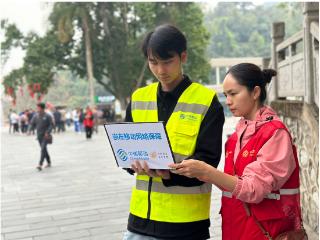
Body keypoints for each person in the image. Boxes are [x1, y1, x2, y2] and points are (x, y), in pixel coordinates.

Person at [170, 63, 304, 239]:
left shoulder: (275, 134)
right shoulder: (235, 137)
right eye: (226, 95)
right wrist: (198, 172)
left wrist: (207, 171)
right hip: (236, 228)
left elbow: (253, 189)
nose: (228, 101)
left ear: (255, 92)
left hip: (266, 232)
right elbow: (233, 183)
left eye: (233, 93)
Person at [123, 24, 225, 240]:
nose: (161, 70)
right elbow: (125, 151)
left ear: (183, 57)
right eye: (153, 62)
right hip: (140, 221)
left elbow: (208, 161)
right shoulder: (139, 98)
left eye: (168, 62)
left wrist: (169, 173)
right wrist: (131, 164)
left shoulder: (206, 101)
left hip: (185, 226)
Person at [28, 102, 54, 171]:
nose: (37, 109)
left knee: (42, 149)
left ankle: (40, 164)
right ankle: (49, 162)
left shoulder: (48, 116)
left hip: (45, 136)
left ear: (42, 108)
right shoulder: (35, 116)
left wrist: (47, 132)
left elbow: (51, 125)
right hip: (39, 136)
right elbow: (31, 124)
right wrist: (29, 130)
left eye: (38, 107)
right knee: (44, 149)